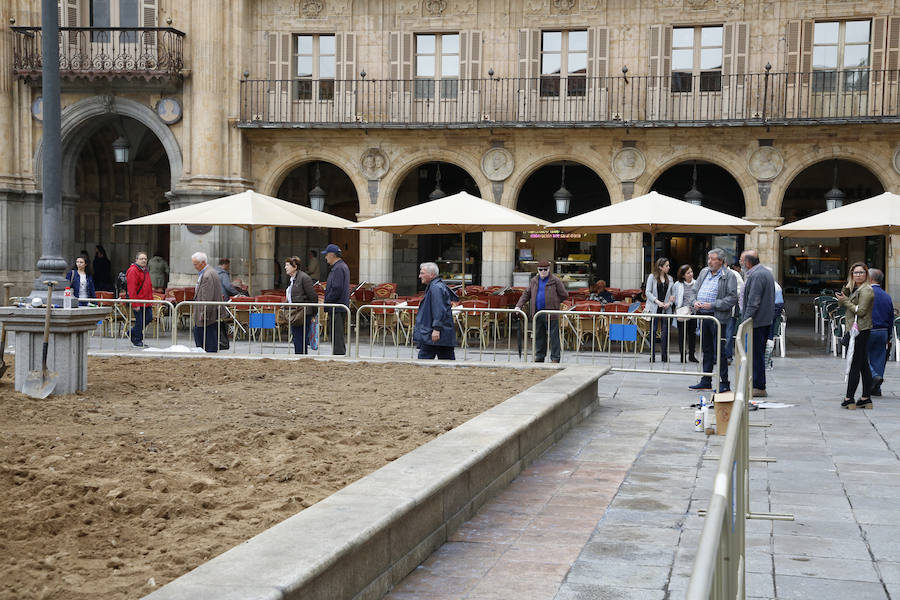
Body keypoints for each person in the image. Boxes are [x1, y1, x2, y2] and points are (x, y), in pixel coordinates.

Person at [689, 248, 738, 393]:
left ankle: (724, 382)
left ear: (721, 261)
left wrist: (713, 304)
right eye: (709, 258)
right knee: (707, 349)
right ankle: (706, 380)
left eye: (713, 259)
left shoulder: (729, 275)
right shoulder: (704, 272)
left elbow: (732, 298)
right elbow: (693, 291)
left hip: (718, 318)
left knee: (720, 351)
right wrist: (694, 302)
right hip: (704, 316)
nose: (709, 261)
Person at [836, 262, 874, 409]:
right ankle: (866, 398)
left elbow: (861, 311)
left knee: (854, 364)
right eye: (855, 273)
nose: (858, 275)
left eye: (861, 272)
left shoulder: (867, 290)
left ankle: (849, 398)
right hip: (856, 329)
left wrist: (845, 300)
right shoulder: (855, 288)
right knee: (863, 364)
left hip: (860, 330)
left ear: (866, 274)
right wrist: (846, 290)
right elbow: (841, 305)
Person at [515, 259, 568, 363]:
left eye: (545, 269)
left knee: (554, 337)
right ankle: (539, 356)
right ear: (537, 270)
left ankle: (555, 358)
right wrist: (518, 306)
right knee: (539, 336)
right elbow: (526, 294)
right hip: (537, 313)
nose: (543, 271)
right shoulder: (534, 280)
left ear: (549, 269)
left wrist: (555, 303)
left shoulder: (555, 280)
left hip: (551, 314)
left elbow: (564, 294)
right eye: (541, 269)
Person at [740, 250, 776, 398]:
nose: (740, 263)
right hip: (762, 320)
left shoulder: (757, 275)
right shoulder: (762, 272)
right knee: (756, 354)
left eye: (742, 260)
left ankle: (758, 386)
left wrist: (744, 321)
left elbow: (753, 302)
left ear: (748, 263)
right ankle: (756, 384)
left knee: (756, 355)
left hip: (757, 322)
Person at [413, 262, 458, 360]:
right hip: (438, 333)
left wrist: (436, 329)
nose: (420, 276)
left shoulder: (436, 288)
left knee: (425, 361)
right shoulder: (436, 286)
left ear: (432, 274)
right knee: (447, 361)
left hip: (434, 334)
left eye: (422, 273)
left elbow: (439, 309)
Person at [191, 252, 225, 353]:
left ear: (203, 262)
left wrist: (204, 313)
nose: (194, 266)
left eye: (196, 264)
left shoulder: (207, 275)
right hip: (207, 313)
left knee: (206, 342)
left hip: (206, 314)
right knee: (207, 338)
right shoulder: (209, 272)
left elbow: (207, 297)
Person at [866, 268, 892, 397]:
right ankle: (876, 388)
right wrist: (889, 335)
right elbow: (891, 317)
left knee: (861, 356)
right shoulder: (886, 296)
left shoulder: (866, 293)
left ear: (870, 279)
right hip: (883, 331)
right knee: (878, 359)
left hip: (869, 329)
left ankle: (874, 376)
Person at [284, 256, 318, 354]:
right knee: (297, 337)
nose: (285, 267)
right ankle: (298, 356)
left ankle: (301, 357)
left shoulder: (304, 278)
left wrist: (313, 313)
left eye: (287, 265)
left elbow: (313, 296)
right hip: (295, 313)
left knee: (300, 338)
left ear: (295, 267)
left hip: (303, 313)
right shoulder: (292, 279)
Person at [645, 257, 675, 362]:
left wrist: (669, 303)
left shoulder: (670, 279)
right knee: (653, 331)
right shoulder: (652, 277)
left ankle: (664, 355)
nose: (668, 267)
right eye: (666, 266)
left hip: (666, 309)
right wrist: (657, 301)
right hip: (654, 307)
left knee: (665, 332)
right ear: (660, 267)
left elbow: (673, 295)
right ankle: (652, 355)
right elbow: (647, 292)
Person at [322, 243, 350, 355]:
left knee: (337, 335)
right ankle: (339, 353)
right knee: (336, 334)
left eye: (326, 255)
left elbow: (337, 288)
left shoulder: (338, 268)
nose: (325, 257)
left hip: (337, 307)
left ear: (332, 255)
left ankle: (339, 355)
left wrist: (327, 301)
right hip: (338, 306)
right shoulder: (341, 266)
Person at [126, 251, 154, 348]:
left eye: (145, 259)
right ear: (136, 260)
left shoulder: (145, 270)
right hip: (139, 301)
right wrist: (135, 303)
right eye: (141, 259)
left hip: (146, 301)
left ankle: (132, 332)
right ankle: (137, 339)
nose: (143, 260)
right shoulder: (133, 270)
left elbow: (148, 286)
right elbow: (132, 289)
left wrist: (151, 300)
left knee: (148, 318)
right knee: (140, 321)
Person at [672, 264, 698, 363]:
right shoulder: (677, 285)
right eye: (688, 273)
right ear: (683, 275)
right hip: (682, 313)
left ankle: (692, 355)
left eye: (691, 272)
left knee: (692, 335)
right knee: (682, 335)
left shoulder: (696, 283)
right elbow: (674, 298)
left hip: (693, 313)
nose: (691, 274)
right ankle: (682, 356)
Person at [724, 262, 744, 364]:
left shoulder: (734, 274)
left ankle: (728, 356)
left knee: (728, 334)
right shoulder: (711, 273)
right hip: (716, 309)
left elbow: (740, 290)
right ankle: (716, 355)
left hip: (730, 309)